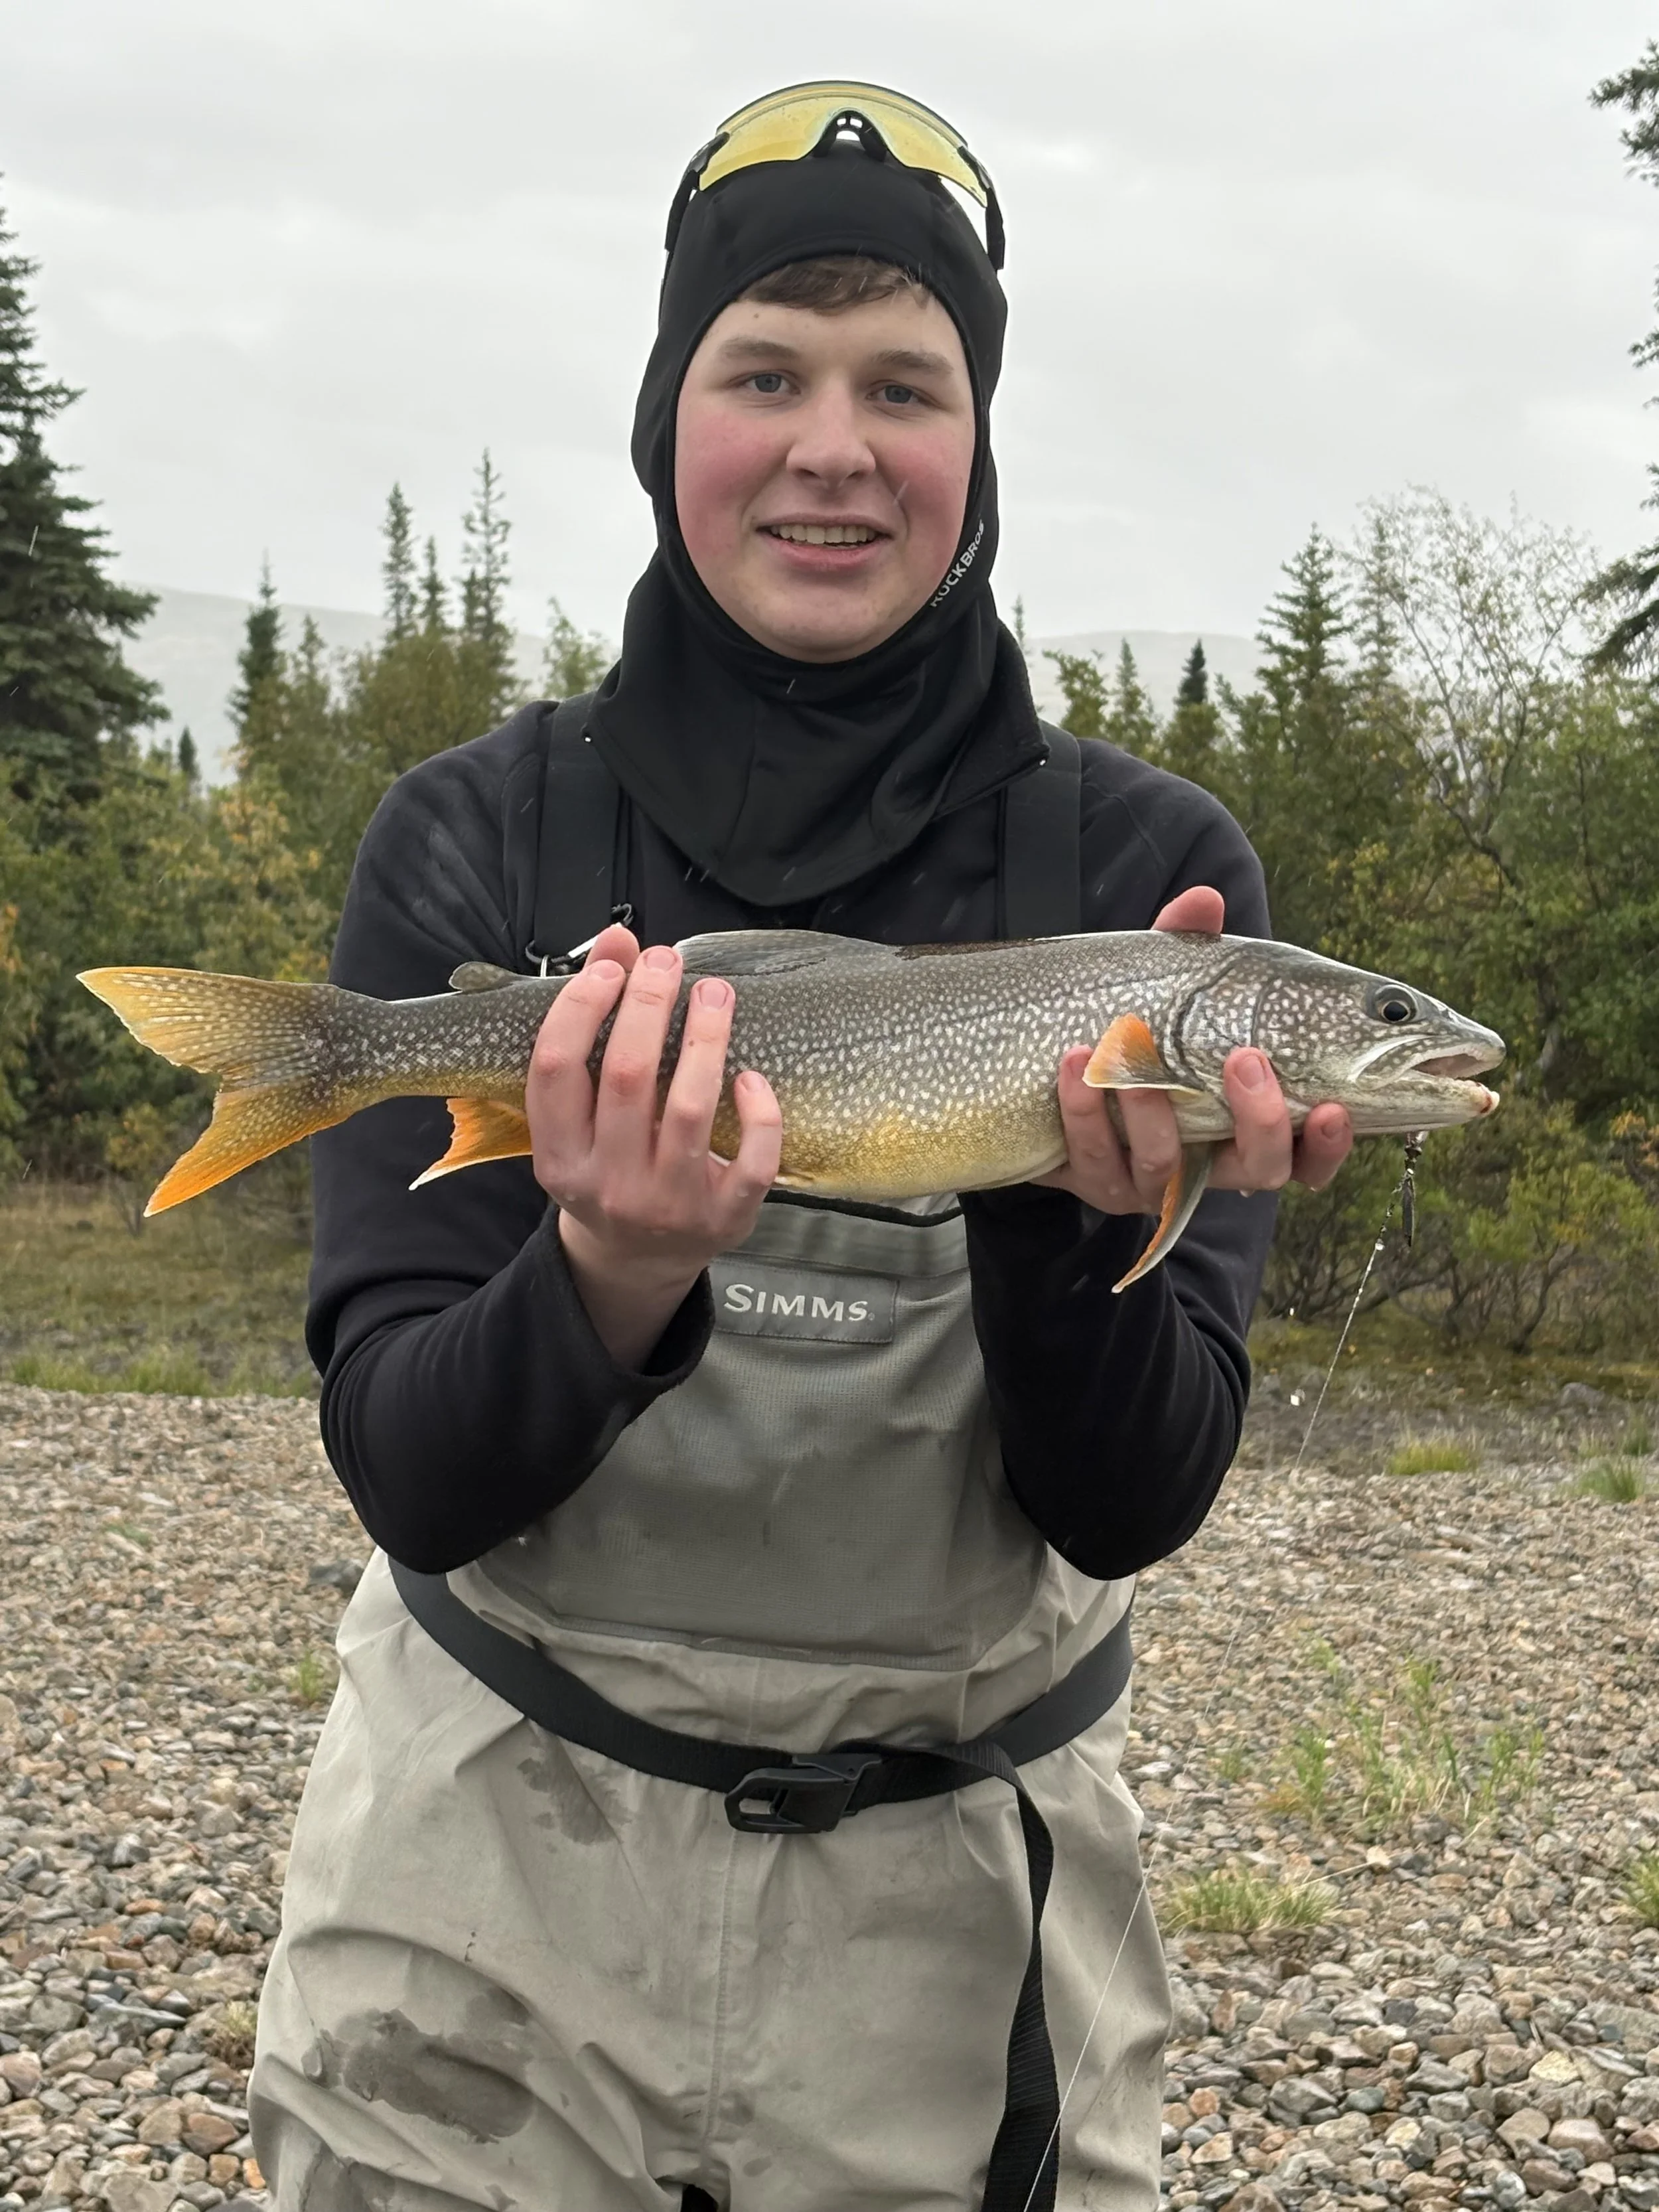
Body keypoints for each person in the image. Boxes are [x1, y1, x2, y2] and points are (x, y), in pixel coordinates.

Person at [249, 82, 1354, 2212]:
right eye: (763, 371)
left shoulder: (1148, 886)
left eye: (903, 384)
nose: (832, 443)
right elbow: (408, 1470)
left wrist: (1073, 1224)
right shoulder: (477, 839)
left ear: (980, 449)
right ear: (670, 420)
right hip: (484, 1897)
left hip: (951, 1932)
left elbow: (1123, 1506)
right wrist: (607, 1274)